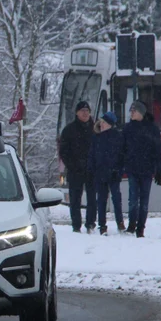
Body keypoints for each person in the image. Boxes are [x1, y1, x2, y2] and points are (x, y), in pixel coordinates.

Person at [121, 100, 161, 238]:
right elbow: (122, 149)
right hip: (133, 168)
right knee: (133, 199)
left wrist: (159, 170)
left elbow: (158, 150)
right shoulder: (127, 128)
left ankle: (140, 228)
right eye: (131, 111)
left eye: (134, 111)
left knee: (144, 200)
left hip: (147, 169)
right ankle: (132, 225)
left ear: (141, 112)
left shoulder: (152, 128)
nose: (131, 113)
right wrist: (122, 165)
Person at [58, 100, 96, 233]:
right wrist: (72, 165)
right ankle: (76, 225)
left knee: (92, 198)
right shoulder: (69, 130)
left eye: (87, 111)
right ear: (76, 113)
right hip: (75, 170)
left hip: (92, 170)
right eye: (82, 111)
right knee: (75, 199)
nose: (85, 113)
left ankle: (91, 223)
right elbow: (63, 151)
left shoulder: (96, 128)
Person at [87, 111, 124, 235]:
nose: (101, 125)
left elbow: (121, 156)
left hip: (113, 173)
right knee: (101, 201)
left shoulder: (117, 137)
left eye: (104, 122)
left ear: (110, 124)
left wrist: (118, 171)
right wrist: (92, 170)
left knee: (116, 199)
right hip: (100, 174)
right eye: (101, 122)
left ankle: (120, 222)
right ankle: (102, 225)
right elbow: (92, 156)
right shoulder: (96, 138)